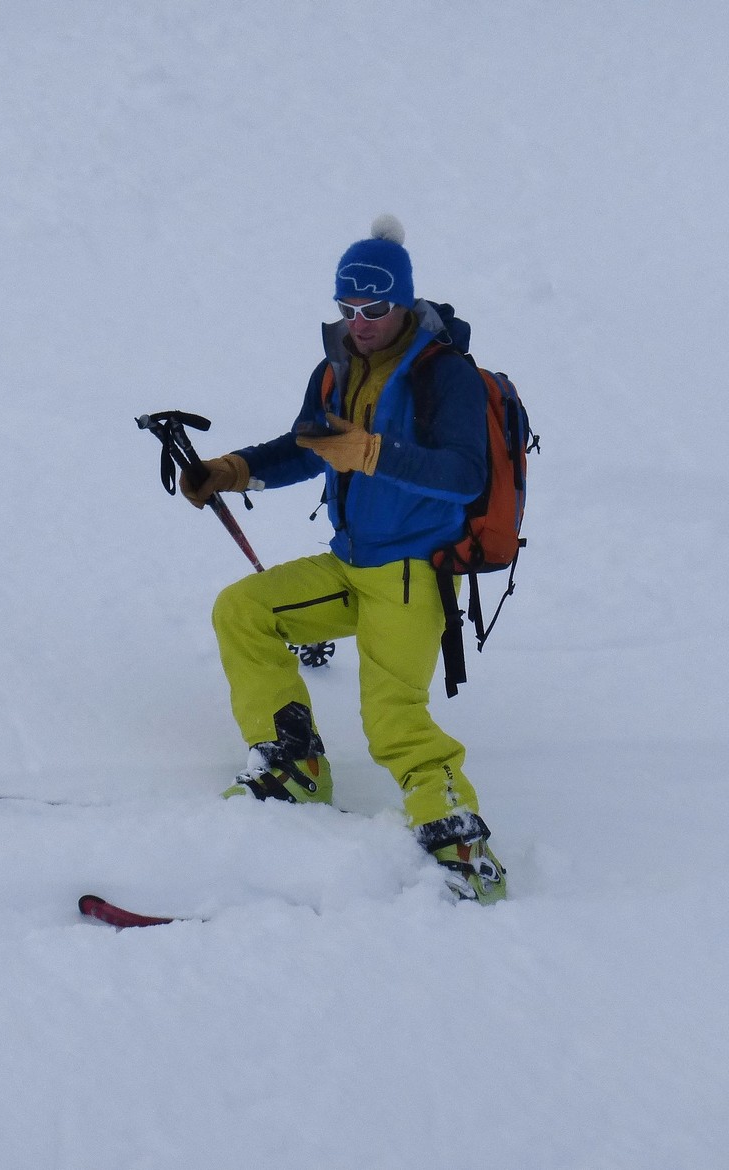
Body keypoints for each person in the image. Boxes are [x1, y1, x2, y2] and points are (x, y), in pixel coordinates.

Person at [179, 215, 507, 905]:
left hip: (412, 575)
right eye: (347, 308)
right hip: (349, 564)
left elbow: (464, 476)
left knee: (394, 719)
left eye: (374, 309)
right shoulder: (336, 370)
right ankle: (293, 766)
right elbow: (307, 446)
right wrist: (232, 469)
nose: (359, 323)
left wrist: (375, 454)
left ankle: (463, 844)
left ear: (404, 300)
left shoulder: (445, 377)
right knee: (245, 610)